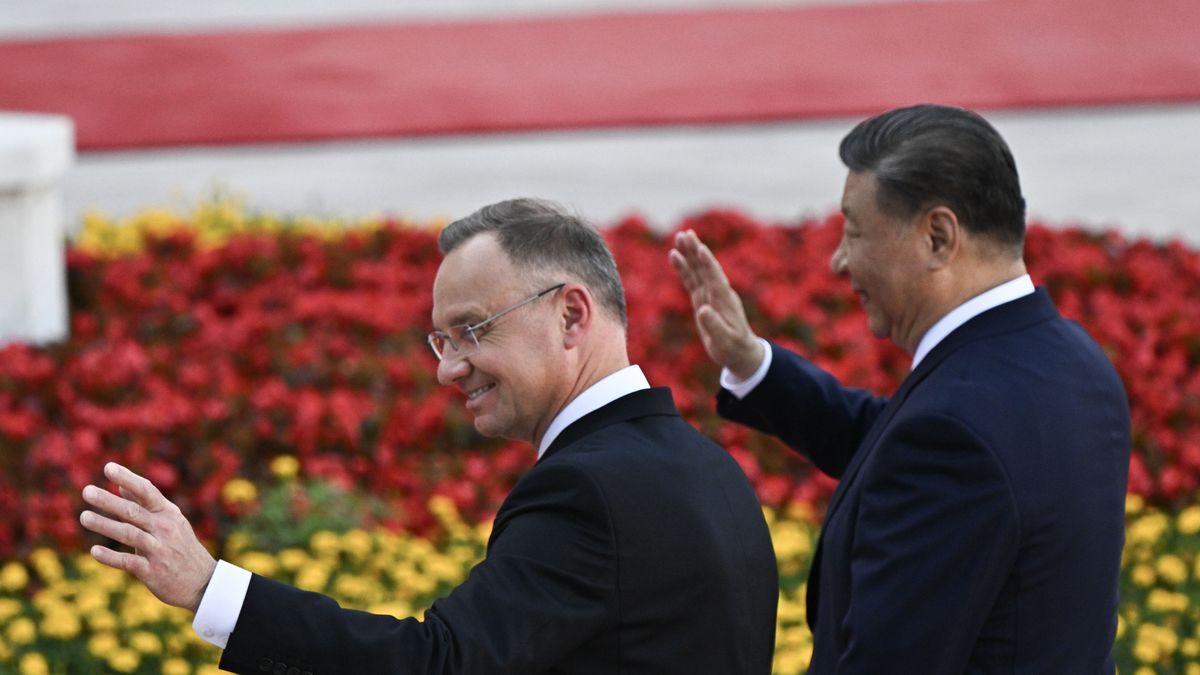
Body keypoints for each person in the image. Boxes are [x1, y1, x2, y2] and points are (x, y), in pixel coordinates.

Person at [80, 198, 778, 674]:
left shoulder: (585, 490)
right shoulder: (712, 468)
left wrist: (210, 588)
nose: (449, 369)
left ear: (570, 316)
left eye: (472, 329)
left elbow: (437, 663)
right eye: (439, 340)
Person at [670, 104, 1130, 673]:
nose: (840, 260)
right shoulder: (1076, 364)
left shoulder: (953, 433)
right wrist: (753, 362)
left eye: (855, 232)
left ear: (938, 237)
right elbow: (892, 439)